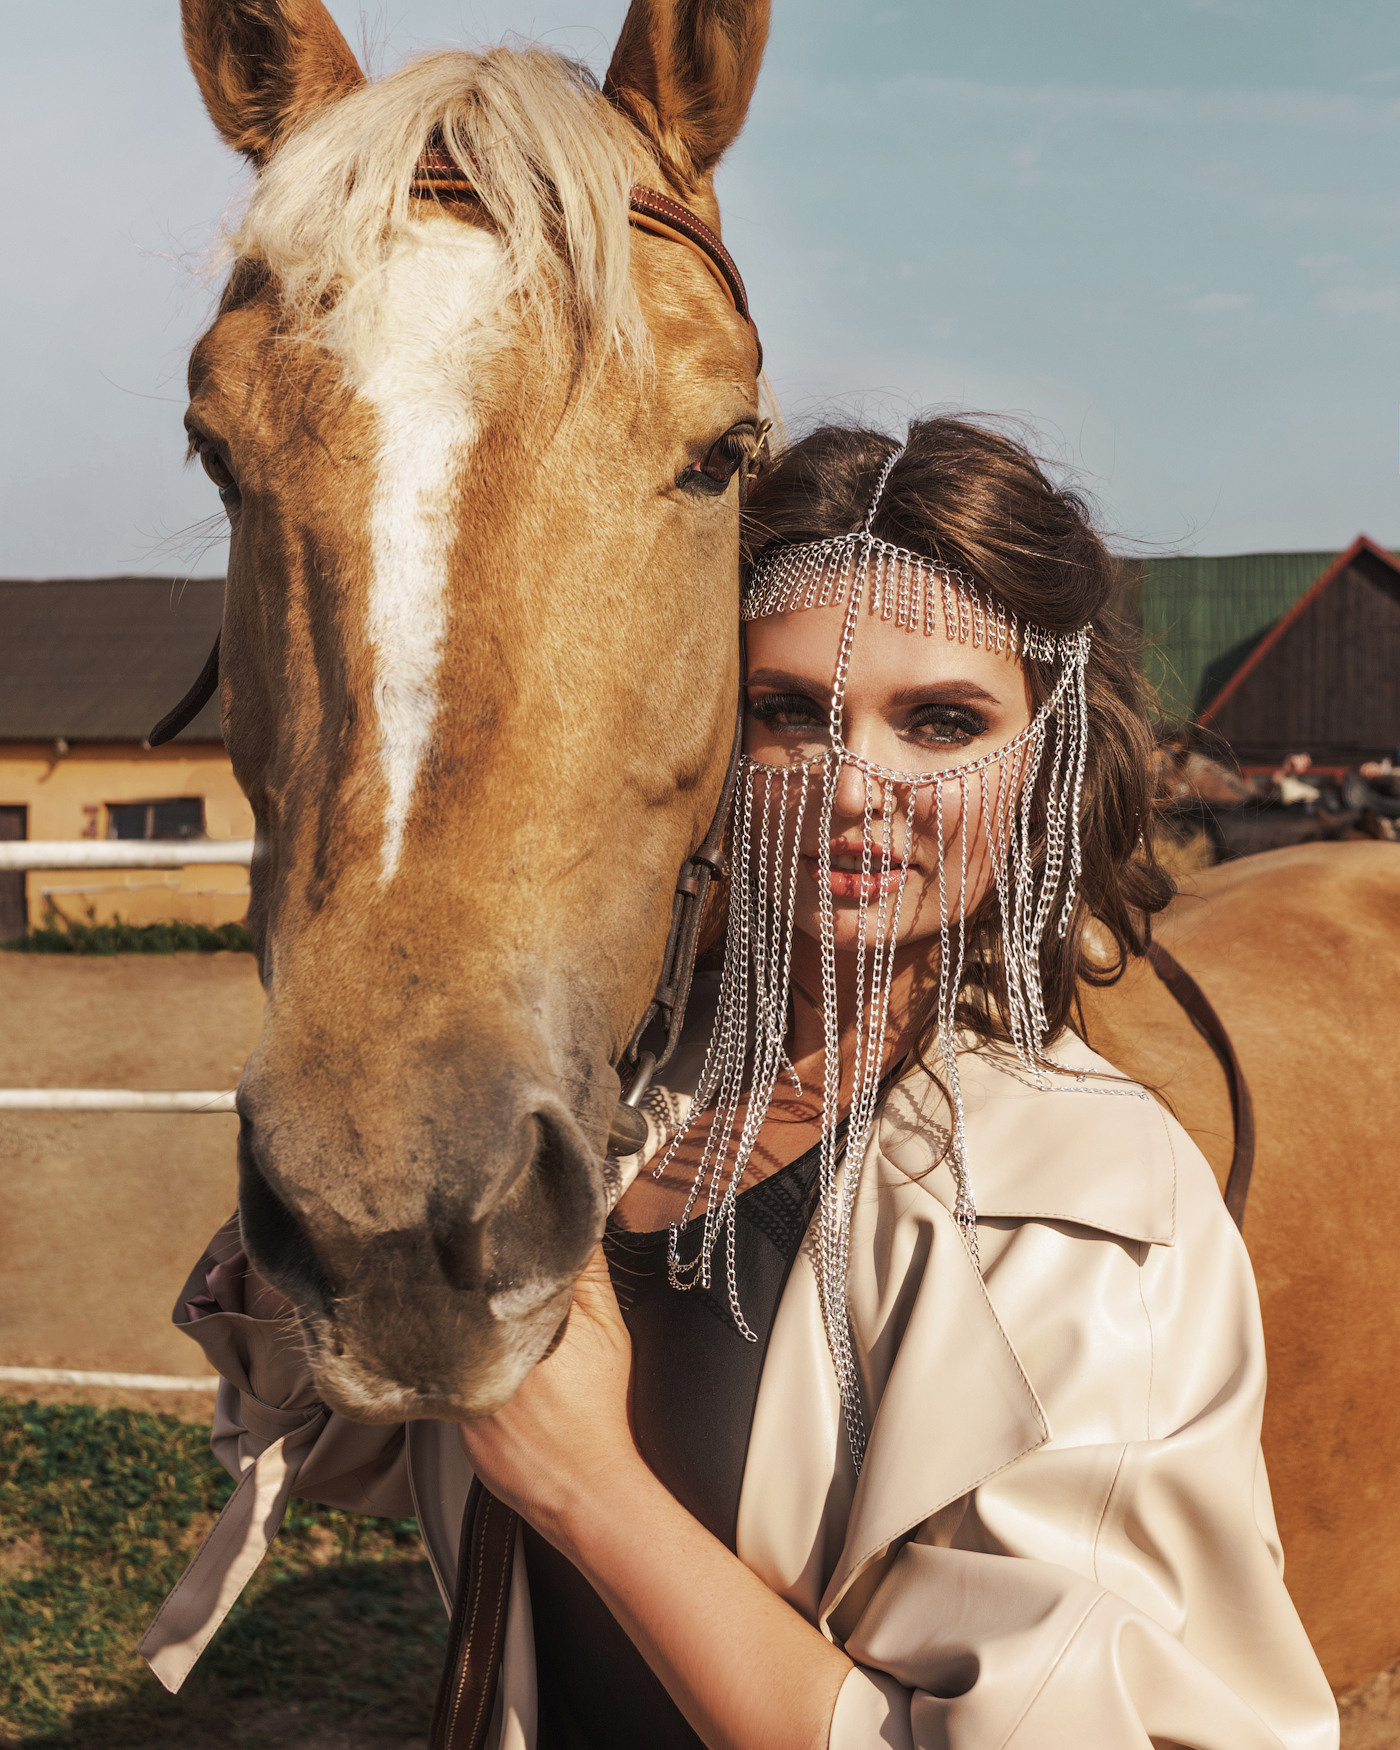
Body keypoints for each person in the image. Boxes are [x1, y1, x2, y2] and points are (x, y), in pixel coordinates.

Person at [145, 417, 1338, 1750]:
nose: (855, 786)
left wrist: (591, 1488)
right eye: (787, 713)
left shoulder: (1094, 1215)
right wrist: (316, 1254)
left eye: (942, 722)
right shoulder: (619, 1095)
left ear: (1047, 762)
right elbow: (393, 1453)